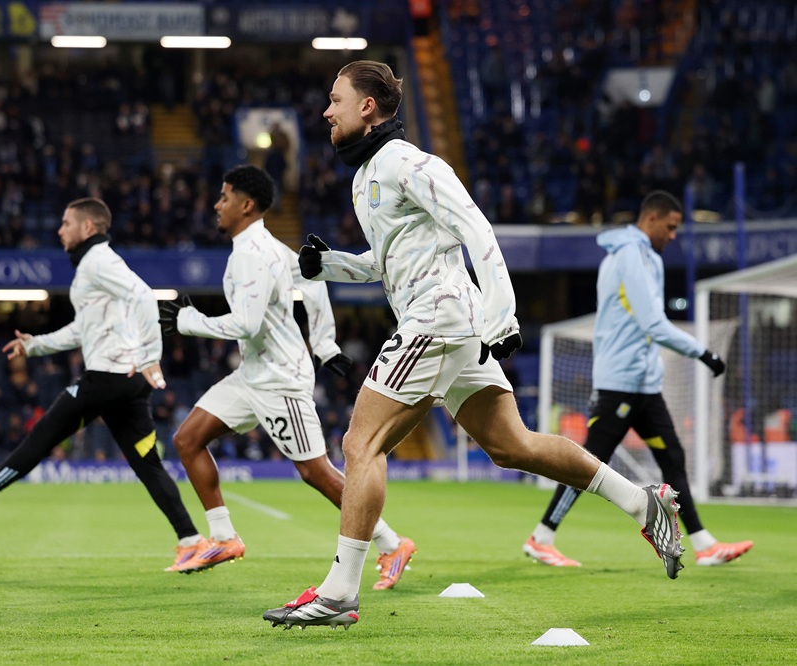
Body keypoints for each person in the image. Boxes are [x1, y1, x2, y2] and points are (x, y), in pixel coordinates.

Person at [263, 61, 684, 630]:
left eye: (335, 99)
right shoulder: (366, 176)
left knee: (361, 444)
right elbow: (388, 265)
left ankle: (339, 593)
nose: (325, 110)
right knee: (513, 446)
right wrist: (330, 265)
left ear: (368, 107)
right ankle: (642, 501)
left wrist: (502, 314)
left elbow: (476, 228)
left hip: (438, 321)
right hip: (446, 323)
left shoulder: (410, 163)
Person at [161, 165, 416, 587]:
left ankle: (392, 544)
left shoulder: (252, 255)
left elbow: (245, 324)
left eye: (224, 197)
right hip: (253, 373)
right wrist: (325, 344)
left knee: (315, 472)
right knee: (188, 440)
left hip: (281, 380)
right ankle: (224, 538)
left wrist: (188, 321)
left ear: (245, 205)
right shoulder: (274, 249)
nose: (216, 204)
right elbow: (313, 281)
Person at [0, 197, 205, 571]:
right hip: (125, 382)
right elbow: (83, 329)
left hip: (110, 376)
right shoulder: (97, 265)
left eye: (66, 223)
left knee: (41, 436)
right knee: (147, 465)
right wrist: (36, 345)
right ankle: (191, 541)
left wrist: (149, 356)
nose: (59, 230)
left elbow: (143, 295)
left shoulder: (98, 262)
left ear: (87, 227)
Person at [522, 190, 752, 568]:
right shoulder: (630, 256)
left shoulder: (647, 258)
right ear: (651, 219)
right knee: (591, 463)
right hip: (619, 383)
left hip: (644, 384)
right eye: (671, 227)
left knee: (673, 457)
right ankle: (542, 536)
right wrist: (704, 353)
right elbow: (652, 323)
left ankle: (705, 544)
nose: (674, 235)